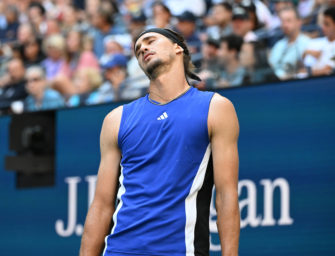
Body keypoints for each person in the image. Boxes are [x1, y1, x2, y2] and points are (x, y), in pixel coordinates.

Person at [80, 28, 240, 256]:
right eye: (137, 49)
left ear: (178, 48)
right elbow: (101, 205)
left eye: (151, 40)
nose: (143, 47)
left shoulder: (216, 108)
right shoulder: (115, 119)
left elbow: (226, 196)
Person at [268, 7, 311, 80]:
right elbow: (271, 66)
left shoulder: (308, 43)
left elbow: (306, 71)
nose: (284, 25)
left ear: (299, 22)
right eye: (282, 21)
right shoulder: (278, 45)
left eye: (288, 21)